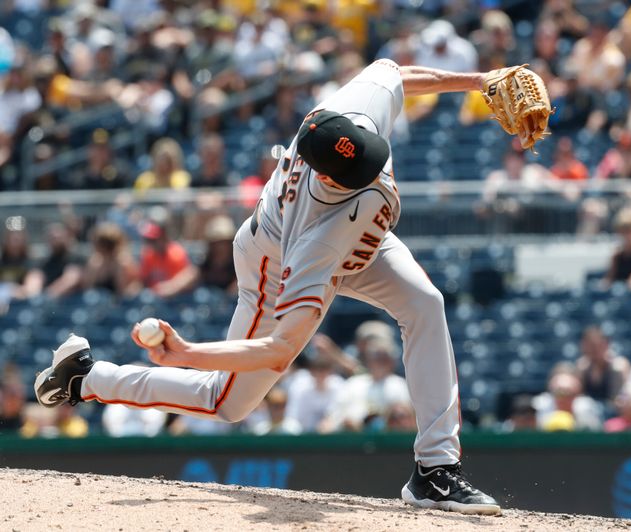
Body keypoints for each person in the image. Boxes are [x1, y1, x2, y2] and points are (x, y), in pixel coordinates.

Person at [34, 58, 504, 515]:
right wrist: (188, 353)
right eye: (356, 170)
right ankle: (87, 377)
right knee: (228, 402)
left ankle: (436, 470)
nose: (370, 165)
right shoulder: (313, 241)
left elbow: (395, 74)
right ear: (325, 174)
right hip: (276, 262)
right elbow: (280, 349)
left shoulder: (348, 118)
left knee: (425, 303)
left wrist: (479, 80)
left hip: (361, 240)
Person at [575, 326, 630, 413]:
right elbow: (578, 396)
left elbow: (627, 392)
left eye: (597, 345)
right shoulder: (582, 367)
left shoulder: (619, 365)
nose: (594, 349)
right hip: (589, 412)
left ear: (606, 344)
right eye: (590, 345)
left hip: (616, 410)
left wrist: (621, 401)